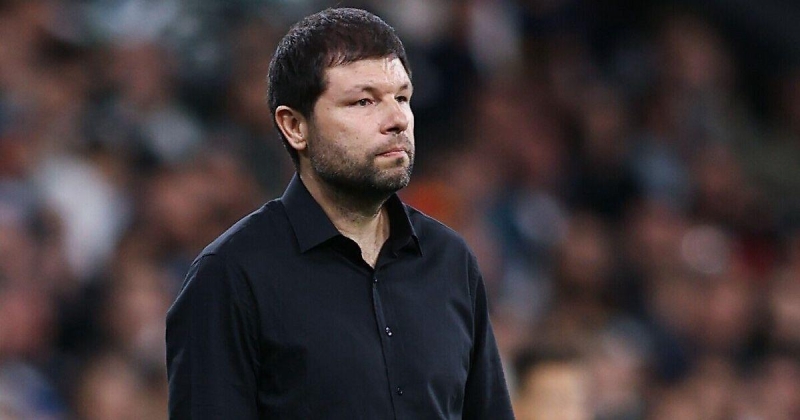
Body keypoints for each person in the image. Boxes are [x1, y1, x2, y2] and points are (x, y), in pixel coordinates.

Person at [166, 7, 514, 419]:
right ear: (295, 127)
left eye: (402, 98)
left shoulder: (450, 260)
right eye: (364, 101)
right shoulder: (231, 276)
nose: (397, 120)